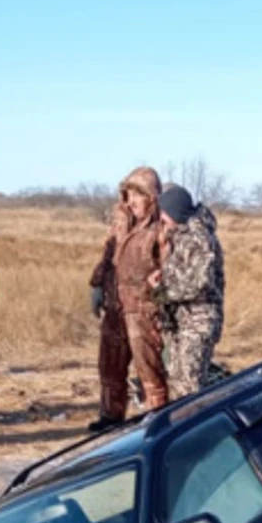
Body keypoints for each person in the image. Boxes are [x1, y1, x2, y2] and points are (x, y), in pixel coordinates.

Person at [87, 167, 169, 431]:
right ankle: (111, 418)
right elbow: (107, 256)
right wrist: (97, 283)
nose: (131, 201)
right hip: (115, 307)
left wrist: (161, 299)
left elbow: (170, 269)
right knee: (110, 366)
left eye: (138, 195)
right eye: (128, 195)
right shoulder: (120, 223)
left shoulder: (160, 228)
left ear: (152, 198)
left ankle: (158, 420)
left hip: (143, 309)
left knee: (149, 370)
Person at [151, 184, 225, 399]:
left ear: (174, 211)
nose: (161, 218)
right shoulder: (181, 236)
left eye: (164, 212)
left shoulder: (199, 238)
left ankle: (199, 431)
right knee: (178, 382)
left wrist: (162, 291)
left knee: (190, 388)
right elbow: (184, 273)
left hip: (198, 323)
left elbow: (199, 283)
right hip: (182, 321)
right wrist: (163, 276)